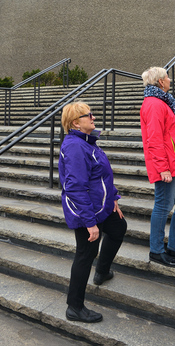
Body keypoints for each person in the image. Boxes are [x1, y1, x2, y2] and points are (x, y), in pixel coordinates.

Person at [58, 101, 127, 323]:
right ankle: (74, 307)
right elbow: (75, 188)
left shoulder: (87, 142)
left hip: (102, 207)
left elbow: (102, 175)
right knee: (85, 254)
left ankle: (102, 271)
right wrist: (89, 222)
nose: (93, 118)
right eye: (89, 115)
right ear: (75, 123)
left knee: (118, 228)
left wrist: (113, 197)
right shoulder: (75, 147)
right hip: (87, 211)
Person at [140, 66, 175, 268]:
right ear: (160, 82)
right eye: (167, 76)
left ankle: (174, 246)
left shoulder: (162, 102)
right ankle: (156, 250)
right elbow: (153, 139)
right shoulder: (154, 104)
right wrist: (162, 167)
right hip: (167, 166)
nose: (170, 79)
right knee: (163, 207)